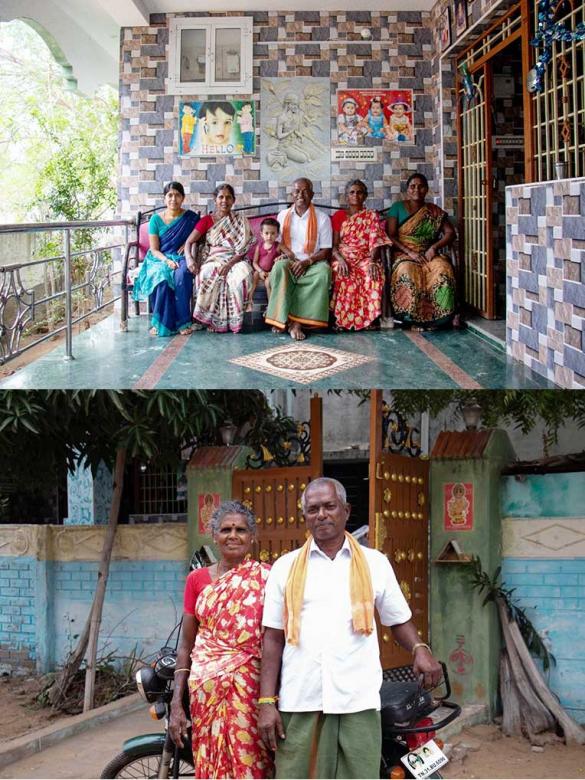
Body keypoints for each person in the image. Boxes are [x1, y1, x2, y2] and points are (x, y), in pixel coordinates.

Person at [258, 477, 442, 779]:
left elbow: (397, 619)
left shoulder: (375, 563)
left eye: (329, 506)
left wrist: (420, 649)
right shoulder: (285, 567)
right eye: (313, 508)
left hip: (357, 699)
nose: (321, 514)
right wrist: (267, 702)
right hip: (302, 699)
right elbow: (274, 639)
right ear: (304, 516)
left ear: (346, 510)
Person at [169, 501, 273, 779]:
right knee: (211, 761)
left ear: (252, 536)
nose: (233, 535)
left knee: (252, 760)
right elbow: (186, 646)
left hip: (251, 693)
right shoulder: (197, 580)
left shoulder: (268, 577)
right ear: (214, 535)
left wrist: (271, 700)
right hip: (206, 693)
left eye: (241, 529)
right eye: (226, 529)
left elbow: (276, 641)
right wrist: (177, 704)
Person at [385, 173, 456, 330]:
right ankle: (410, 319)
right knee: (407, 270)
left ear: (426, 190)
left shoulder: (433, 211)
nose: (417, 189)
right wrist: (410, 252)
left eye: (421, 186)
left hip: (429, 253)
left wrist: (434, 247)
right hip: (404, 253)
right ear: (407, 190)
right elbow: (390, 235)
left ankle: (439, 318)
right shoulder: (397, 207)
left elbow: (451, 233)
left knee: (443, 269)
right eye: (413, 186)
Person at [264, 178, 332, 341]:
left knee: (324, 272)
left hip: (312, 262)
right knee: (280, 267)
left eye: (305, 191)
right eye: (297, 191)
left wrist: (307, 262)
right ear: (292, 194)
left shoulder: (322, 218)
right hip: (290, 260)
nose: (300, 194)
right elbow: (277, 243)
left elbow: (326, 250)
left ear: (312, 194)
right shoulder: (283, 215)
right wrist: (288, 256)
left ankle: (297, 323)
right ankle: (282, 320)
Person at [185, 183, 255, 333]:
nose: (224, 200)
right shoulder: (206, 220)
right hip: (214, 259)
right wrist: (190, 259)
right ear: (215, 200)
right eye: (221, 197)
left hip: (236, 259)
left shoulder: (240, 220)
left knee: (242, 275)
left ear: (233, 200)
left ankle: (235, 322)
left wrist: (229, 264)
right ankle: (204, 320)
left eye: (228, 197)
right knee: (206, 273)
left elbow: (243, 249)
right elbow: (189, 242)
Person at [132, 181, 199, 336]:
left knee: (182, 275)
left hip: (181, 257)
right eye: (170, 195)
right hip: (158, 258)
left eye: (177, 195)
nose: (173, 199)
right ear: (164, 198)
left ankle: (183, 322)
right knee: (160, 277)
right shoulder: (155, 219)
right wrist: (167, 261)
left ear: (183, 198)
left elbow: (201, 234)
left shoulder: (190, 218)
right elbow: (154, 249)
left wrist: (188, 242)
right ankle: (160, 322)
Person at [330, 179, 392, 331]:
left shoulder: (371, 216)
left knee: (373, 273)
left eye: (359, 192)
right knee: (342, 272)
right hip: (344, 257)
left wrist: (371, 261)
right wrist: (341, 260)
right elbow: (334, 245)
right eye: (352, 192)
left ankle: (369, 319)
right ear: (346, 197)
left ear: (365, 196)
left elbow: (376, 241)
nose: (355, 195)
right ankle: (343, 321)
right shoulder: (338, 216)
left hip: (366, 257)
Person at [251, 217, 281, 300]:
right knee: (255, 274)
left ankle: (270, 306)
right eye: (266, 233)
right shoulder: (259, 246)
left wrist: (284, 256)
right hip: (260, 272)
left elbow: (289, 255)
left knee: (268, 283)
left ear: (277, 234)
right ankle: (249, 299)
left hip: (271, 273)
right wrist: (260, 271)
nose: (269, 236)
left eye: (273, 233)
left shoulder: (278, 246)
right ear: (261, 234)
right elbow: (254, 262)